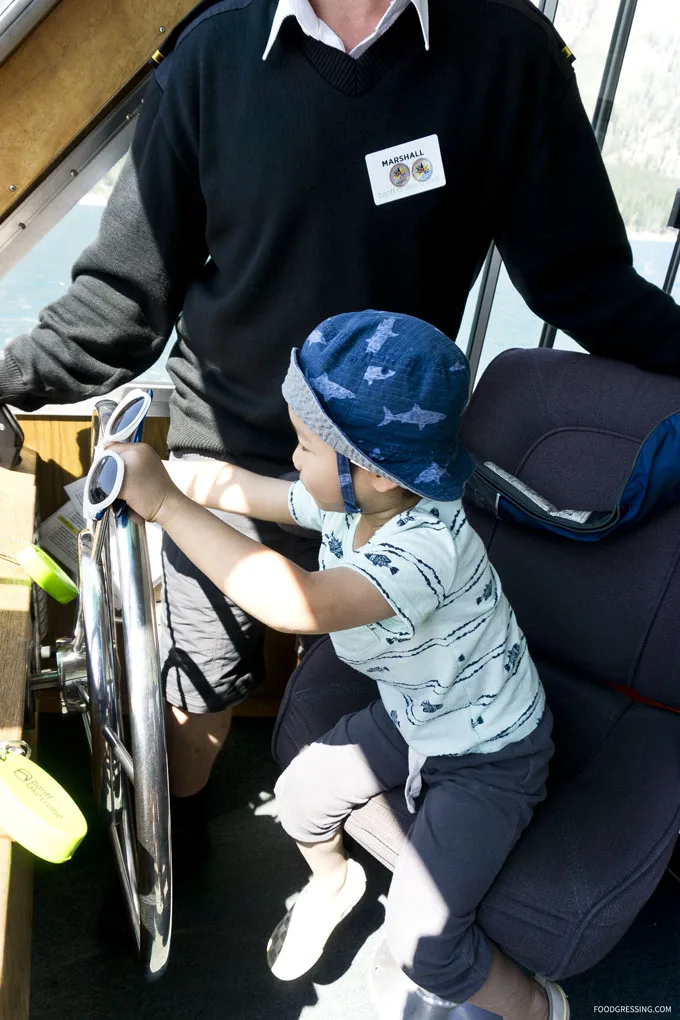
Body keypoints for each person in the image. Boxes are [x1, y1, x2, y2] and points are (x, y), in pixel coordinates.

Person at [1, 0, 679, 843]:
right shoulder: (212, 54)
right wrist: (9, 377)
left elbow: (589, 285)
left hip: (390, 482)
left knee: (390, 689)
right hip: (228, 452)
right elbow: (121, 303)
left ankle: (366, 859)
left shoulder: (509, 56)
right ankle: (179, 838)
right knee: (197, 684)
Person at [110, 309, 565, 1019]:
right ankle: (334, 882)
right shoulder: (352, 507)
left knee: (424, 946)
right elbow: (251, 492)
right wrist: (172, 475)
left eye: (305, 447)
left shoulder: (425, 550)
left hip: (488, 752)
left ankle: (534, 1006)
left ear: (375, 473)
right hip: (412, 713)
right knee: (297, 799)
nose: (293, 459)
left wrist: (165, 506)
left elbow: (299, 604)